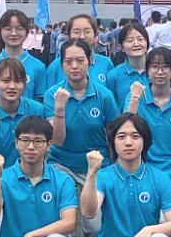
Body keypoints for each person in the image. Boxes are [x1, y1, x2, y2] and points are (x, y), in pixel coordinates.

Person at [47, 39, 119, 187]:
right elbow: (57, 140)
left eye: (80, 61)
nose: (74, 66)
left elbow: (115, 135)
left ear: (89, 61)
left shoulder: (104, 95)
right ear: (61, 65)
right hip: (61, 164)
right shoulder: (52, 95)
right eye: (68, 62)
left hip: (98, 164)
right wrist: (59, 109)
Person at [128, 46, 171, 180]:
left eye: (165, 67)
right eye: (154, 67)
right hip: (142, 167)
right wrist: (134, 99)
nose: (160, 72)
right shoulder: (136, 97)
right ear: (147, 71)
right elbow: (126, 127)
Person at [0, 56, 48, 180]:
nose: (12, 86)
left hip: (28, 180)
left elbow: (44, 150)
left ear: (25, 84)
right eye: (6, 81)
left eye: (18, 81)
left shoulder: (37, 110)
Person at [0, 11, 44, 104]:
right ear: (0, 32)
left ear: (27, 32)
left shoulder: (38, 67)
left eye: (19, 29)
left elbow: (39, 102)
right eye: (8, 29)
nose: (13, 33)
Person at [108, 22, 152, 105]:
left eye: (140, 39)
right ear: (122, 47)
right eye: (130, 41)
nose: (136, 44)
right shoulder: (114, 76)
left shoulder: (157, 72)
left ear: (147, 44)